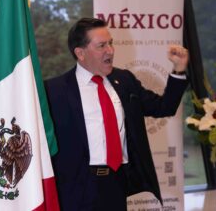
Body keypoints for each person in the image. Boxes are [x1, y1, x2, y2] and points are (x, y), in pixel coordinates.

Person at [44, 17, 189, 211]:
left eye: (111, 43)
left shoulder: (124, 80)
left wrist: (179, 70)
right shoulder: (54, 90)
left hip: (116, 182)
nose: (110, 50)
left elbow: (164, 107)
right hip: (75, 188)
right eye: (101, 45)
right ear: (80, 53)